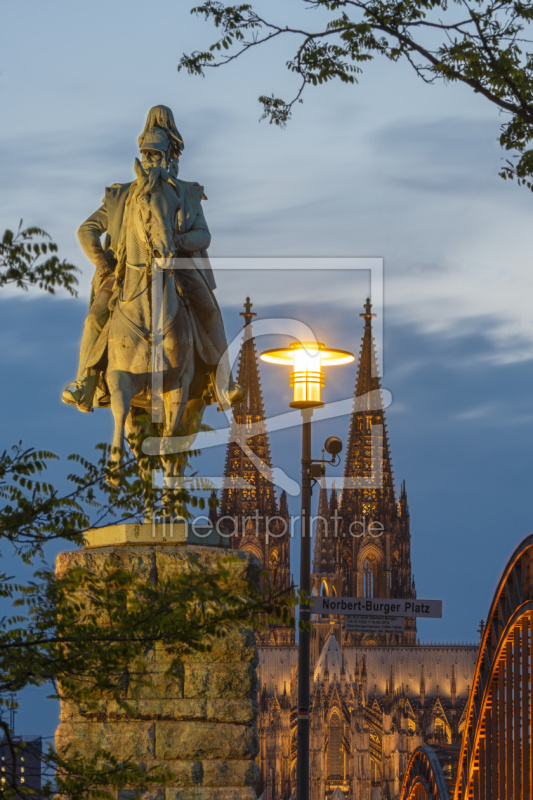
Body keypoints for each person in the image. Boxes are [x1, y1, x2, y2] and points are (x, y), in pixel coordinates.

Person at [62, 105, 242, 414]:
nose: (150, 161)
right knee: (95, 317)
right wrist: (103, 261)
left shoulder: (186, 192)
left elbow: (203, 234)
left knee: (209, 310)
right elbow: (87, 229)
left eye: (156, 155)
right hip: (124, 272)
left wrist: (178, 242)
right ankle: (85, 381)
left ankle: (222, 380)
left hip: (176, 266)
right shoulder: (120, 195)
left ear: (170, 157)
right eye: (146, 155)